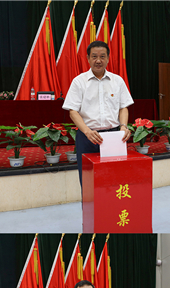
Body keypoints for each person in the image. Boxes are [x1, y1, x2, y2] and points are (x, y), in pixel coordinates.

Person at [62, 41, 133, 189]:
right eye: (94, 56)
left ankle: (112, 206)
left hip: (113, 137)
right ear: (88, 58)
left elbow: (123, 107)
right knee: (88, 181)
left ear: (108, 58)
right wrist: (87, 131)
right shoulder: (79, 82)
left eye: (102, 56)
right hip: (87, 137)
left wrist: (123, 126)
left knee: (114, 179)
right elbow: (73, 111)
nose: (98, 60)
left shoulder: (117, 81)